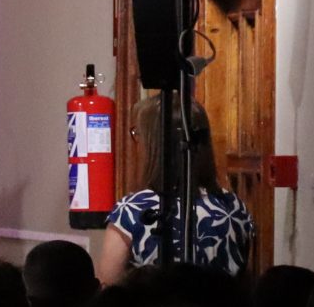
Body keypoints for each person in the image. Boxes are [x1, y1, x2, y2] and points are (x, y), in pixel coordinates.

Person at [97, 98, 256, 282]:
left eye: (138, 134)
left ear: (154, 145)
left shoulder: (132, 211)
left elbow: (109, 286)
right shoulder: (233, 206)